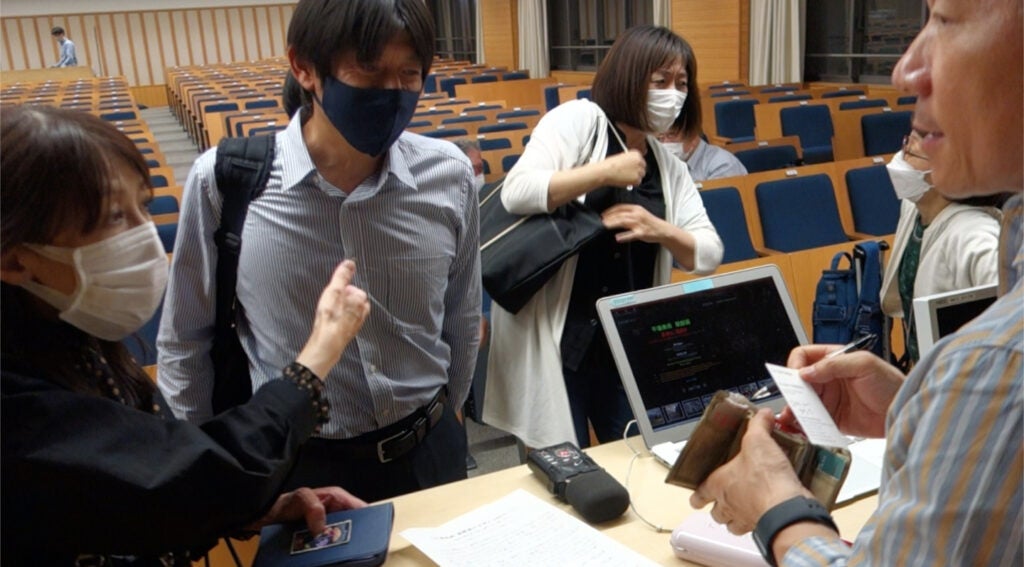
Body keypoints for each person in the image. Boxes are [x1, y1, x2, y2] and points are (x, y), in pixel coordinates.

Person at [690, 1, 1022, 566]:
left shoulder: (998, 360)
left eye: (944, 21)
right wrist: (915, 409)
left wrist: (778, 508)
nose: (905, 69)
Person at [0, 106, 370, 566]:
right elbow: (185, 475)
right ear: (16, 261)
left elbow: (129, 505)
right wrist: (320, 352)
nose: (147, 239)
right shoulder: (15, 411)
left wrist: (252, 514)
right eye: (115, 218)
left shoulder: (68, 337)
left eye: (143, 206)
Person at [157, 0, 481, 503]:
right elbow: (185, 343)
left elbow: (460, 320)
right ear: (303, 67)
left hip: (429, 449)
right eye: (369, 70)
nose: (392, 92)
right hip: (302, 468)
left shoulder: (449, 174)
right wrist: (212, 480)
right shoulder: (225, 183)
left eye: (410, 74)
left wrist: (447, 421)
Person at [484, 25, 724, 450]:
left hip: (625, 341)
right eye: (661, 82)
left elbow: (708, 252)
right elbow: (517, 191)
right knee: (561, 467)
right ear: (630, 78)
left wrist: (660, 229)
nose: (674, 94)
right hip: (559, 336)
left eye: (682, 84)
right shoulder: (579, 121)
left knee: (635, 455)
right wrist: (605, 172)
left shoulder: (668, 166)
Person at [881, 128, 1003, 365]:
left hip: (961, 383)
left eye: (911, 153)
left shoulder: (974, 233)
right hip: (923, 373)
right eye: (907, 144)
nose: (900, 158)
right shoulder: (913, 207)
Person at [655, 82, 747, 181]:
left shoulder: (723, 166)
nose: (665, 143)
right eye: (660, 138)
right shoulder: (667, 164)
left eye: (671, 135)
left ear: (693, 135)